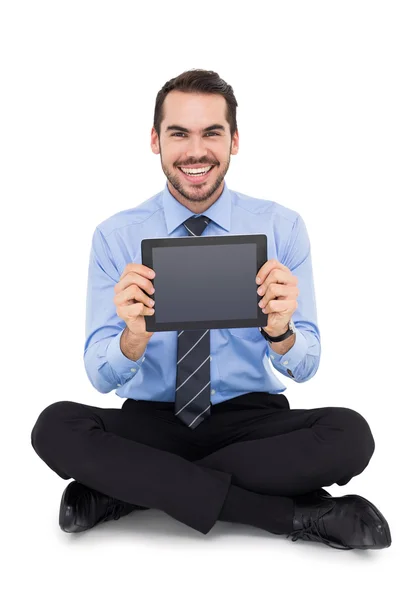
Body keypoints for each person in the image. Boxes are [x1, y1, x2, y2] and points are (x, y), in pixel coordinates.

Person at [30, 68, 391, 550]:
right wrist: (132, 336)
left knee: (351, 434)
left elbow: (306, 366)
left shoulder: (282, 228)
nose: (195, 151)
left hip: (252, 422)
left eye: (211, 133)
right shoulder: (114, 236)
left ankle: (131, 489)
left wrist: (281, 332)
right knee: (55, 426)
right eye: (179, 133)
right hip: (152, 421)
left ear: (234, 141)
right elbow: (99, 377)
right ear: (155, 141)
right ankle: (290, 517)